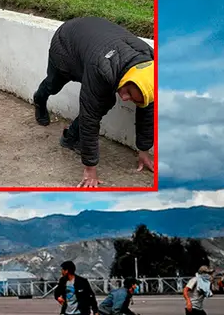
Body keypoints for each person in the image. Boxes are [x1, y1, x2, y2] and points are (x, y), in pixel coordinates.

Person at [32, 17, 155, 188]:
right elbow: (90, 115)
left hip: (96, 47)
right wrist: (90, 168)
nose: (125, 99)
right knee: (54, 85)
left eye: (133, 98)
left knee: (104, 102)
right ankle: (39, 99)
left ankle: (70, 138)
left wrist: (144, 151)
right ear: (129, 79)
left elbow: (148, 112)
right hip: (67, 42)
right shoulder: (101, 68)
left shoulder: (148, 69)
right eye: (127, 92)